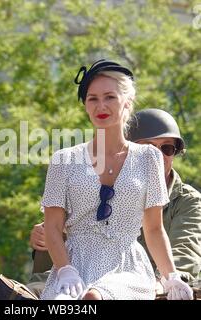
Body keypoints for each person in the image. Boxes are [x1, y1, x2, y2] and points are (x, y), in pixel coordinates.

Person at [38, 58, 193, 300]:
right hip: (73, 265)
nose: (101, 105)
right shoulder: (63, 160)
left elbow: (153, 229)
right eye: (93, 98)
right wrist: (66, 270)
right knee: (64, 302)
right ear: (86, 106)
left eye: (110, 97)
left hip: (126, 266)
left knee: (95, 297)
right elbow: (53, 228)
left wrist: (171, 276)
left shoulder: (148, 157)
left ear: (127, 103)